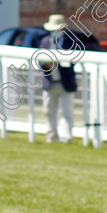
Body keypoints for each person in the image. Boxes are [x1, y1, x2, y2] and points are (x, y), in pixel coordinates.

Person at [39, 14, 78, 143]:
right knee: (49, 111)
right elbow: (40, 61)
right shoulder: (45, 41)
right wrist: (46, 64)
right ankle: (51, 136)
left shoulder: (71, 41)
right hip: (50, 82)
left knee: (67, 111)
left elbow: (74, 60)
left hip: (65, 82)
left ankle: (66, 137)